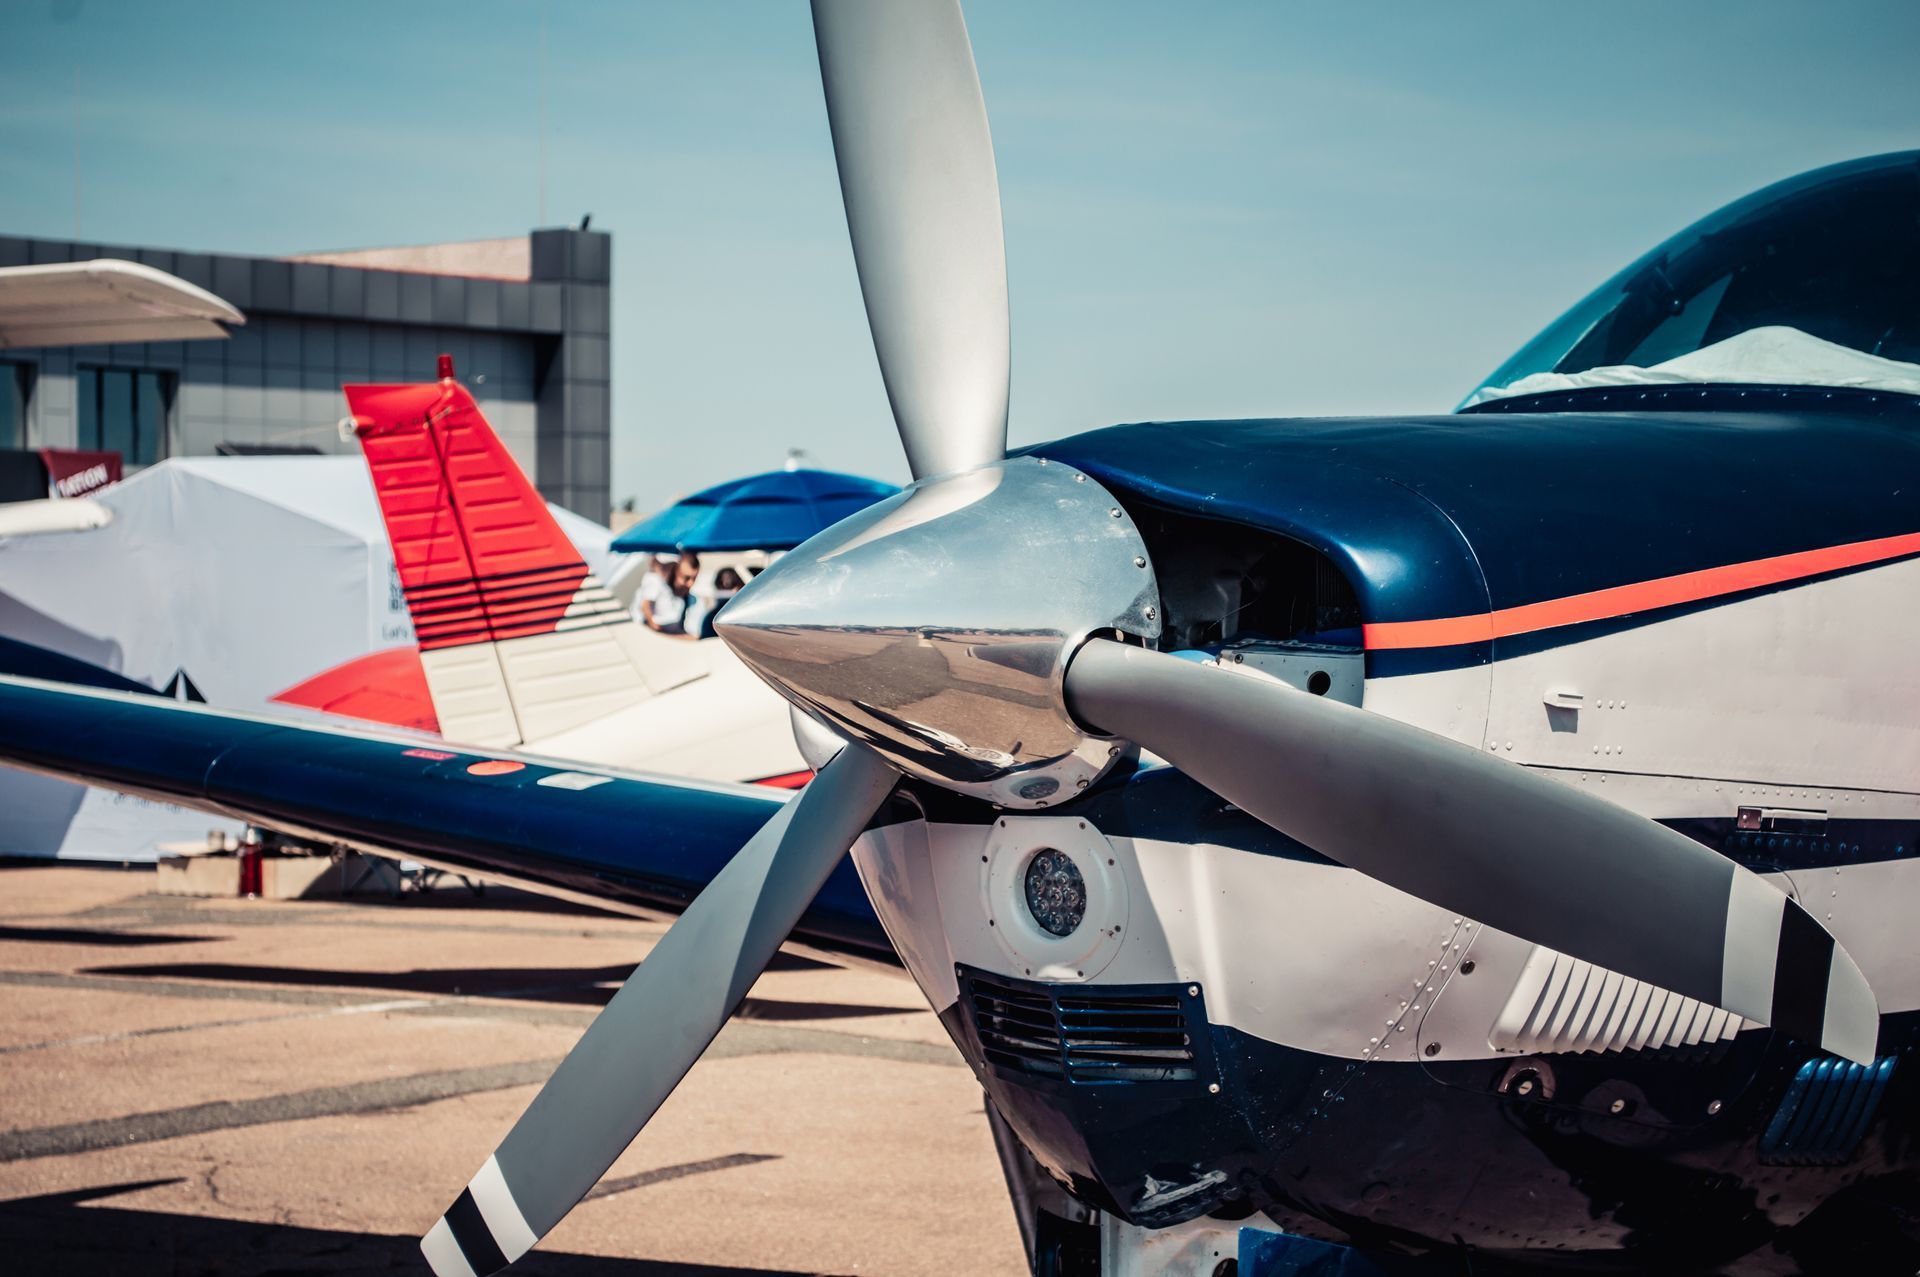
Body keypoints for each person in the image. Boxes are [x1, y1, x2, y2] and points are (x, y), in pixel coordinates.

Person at [639, 551, 700, 637]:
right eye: (686, 578)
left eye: (694, 578)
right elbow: (645, 606)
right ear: (675, 571)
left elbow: (693, 635)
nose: (690, 583)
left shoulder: (693, 600)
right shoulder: (654, 581)